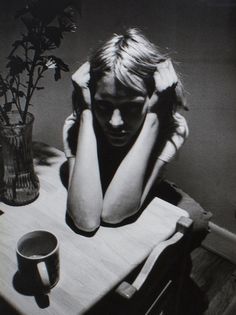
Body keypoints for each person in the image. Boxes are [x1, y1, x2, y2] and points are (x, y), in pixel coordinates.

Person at [63, 28, 211, 246]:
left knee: (196, 222)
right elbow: (86, 220)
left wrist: (152, 117)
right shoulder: (76, 123)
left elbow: (113, 213)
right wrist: (85, 112)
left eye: (131, 107)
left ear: (152, 98)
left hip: (141, 186)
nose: (115, 123)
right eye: (103, 105)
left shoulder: (173, 127)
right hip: (93, 183)